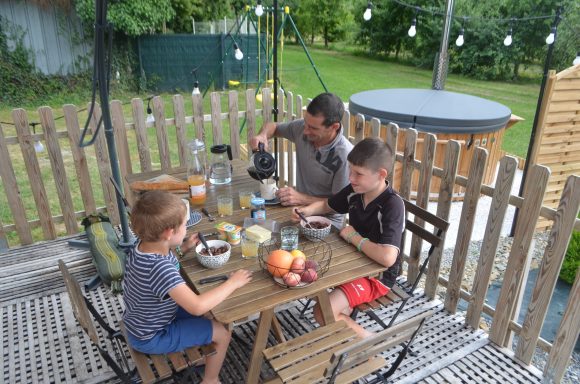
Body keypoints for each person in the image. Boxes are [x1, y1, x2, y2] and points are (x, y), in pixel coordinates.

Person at [123, 190, 252, 384]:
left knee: (211, 314)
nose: (186, 229)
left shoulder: (141, 246)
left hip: (143, 319)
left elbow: (163, 267)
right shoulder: (160, 268)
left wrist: (183, 248)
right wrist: (232, 283)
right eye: (184, 225)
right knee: (223, 333)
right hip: (153, 335)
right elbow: (197, 305)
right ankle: (211, 379)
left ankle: (202, 346)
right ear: (169, 233)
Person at [292, 137, 405, 338]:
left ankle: (371, 341)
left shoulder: (392, 205)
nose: (351, 178)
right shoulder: (356, 190)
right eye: (350, 170)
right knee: (304, 273)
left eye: (358, 173)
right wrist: (306, 211)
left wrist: (353, 236)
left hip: (376, 277)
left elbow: (388, 258)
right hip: (350, 263)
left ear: (381, 175)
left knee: (322, 312)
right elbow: (328, 205)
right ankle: (343, 326)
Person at [250, 92, 353, 229]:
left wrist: (301, 198)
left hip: (327, 224)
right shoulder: (302, 129)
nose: (305, 131)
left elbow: (340, 204)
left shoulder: (346, 156)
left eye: (313, 128)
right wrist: (262, 135)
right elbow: (273, 127)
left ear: (334, 127)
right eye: (306, 123)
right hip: (297, 212)